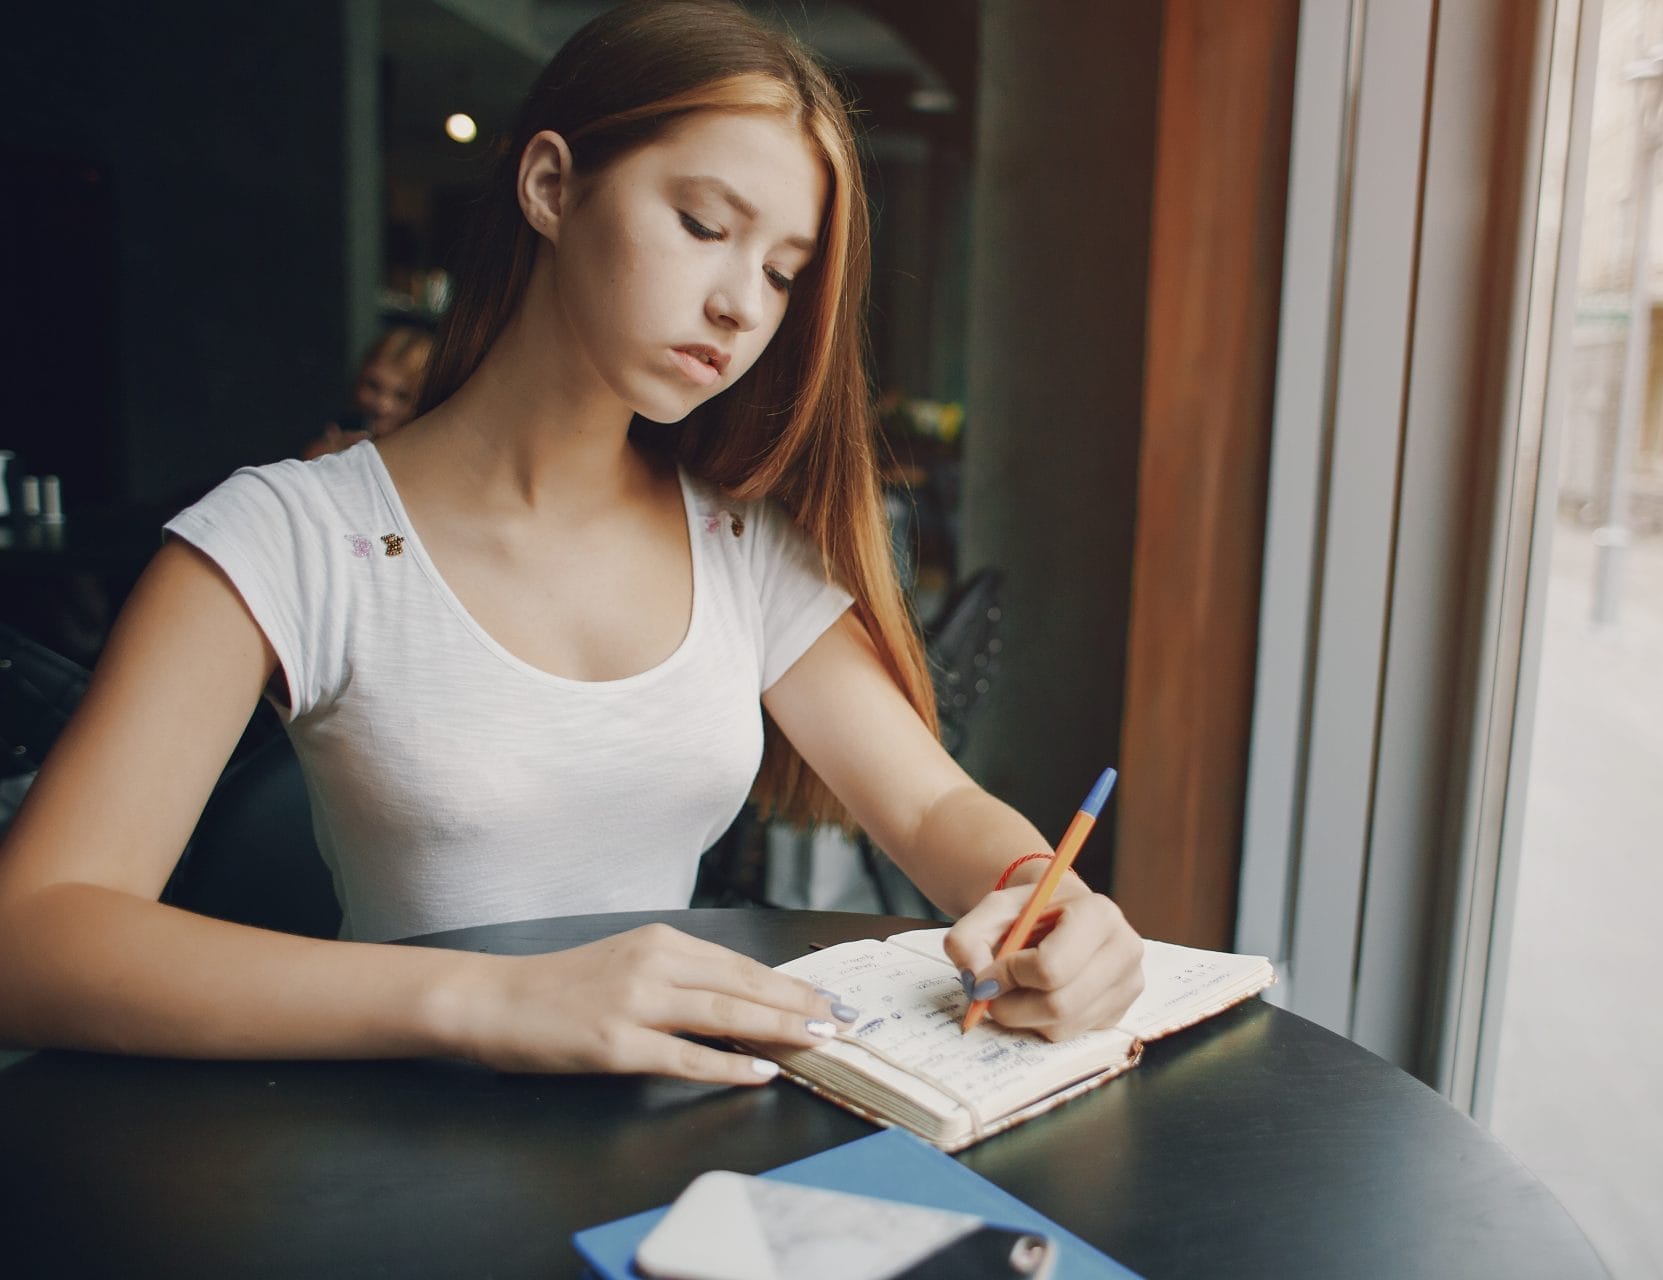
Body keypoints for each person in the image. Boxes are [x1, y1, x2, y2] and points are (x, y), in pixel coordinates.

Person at [0, 0, 1145, 1085]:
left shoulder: (740, 545)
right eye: (704, 226)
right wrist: (495, 998)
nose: (743, 303)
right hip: (394, 1153)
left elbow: (933, 808)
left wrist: (1036, 896)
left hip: (672, 1142)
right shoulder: (296, 538)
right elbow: (34, 936)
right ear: (551, 185)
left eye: (784, 273)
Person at [301, 327, 434, 460]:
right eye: (373, 386)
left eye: (402, 396)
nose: (383, 405)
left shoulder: (428, 461)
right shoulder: (329, 445)